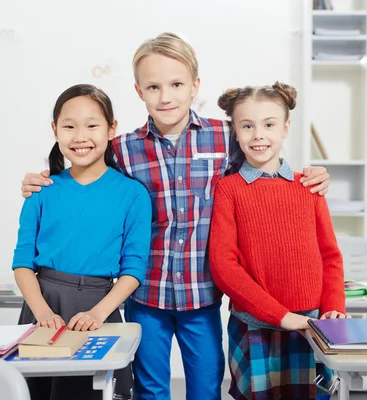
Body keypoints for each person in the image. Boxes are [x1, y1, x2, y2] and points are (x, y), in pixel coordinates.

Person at [20, 33, 331, 400]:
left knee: (205, 387)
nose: (165, 96)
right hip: (146, 294)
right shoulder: (124, 148)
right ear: (139, 92)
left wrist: (309, 175)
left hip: (202, 295)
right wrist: (39, 180)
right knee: (150, 389)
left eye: (176, 84)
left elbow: (262, 156)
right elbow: (86, 164)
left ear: (195, 86)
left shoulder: (224, 137)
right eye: (153, 86)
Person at [12, 84, 151, 400]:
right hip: (42, 305)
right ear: (55, 130)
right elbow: (22, 263)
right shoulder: (41, 190)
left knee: (90, 391)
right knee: (38, 392)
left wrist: (99, 314)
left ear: (111, 129)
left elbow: (133, 268)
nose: (80, 136)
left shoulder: (132, 195)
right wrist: (42, 312)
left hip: (98, 309)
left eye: (92, 125)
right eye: (69, 126)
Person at [209, 82, 347, 400]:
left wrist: (334, 308)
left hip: (312, 323)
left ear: (285, 128)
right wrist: (281, 316)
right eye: (247, 126)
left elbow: (330, 256)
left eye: (269, 124)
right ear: (236, 131)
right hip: (254, 325)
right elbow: (223, 264)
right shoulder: (228, 189)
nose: (258, 135)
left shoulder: (308, 186)